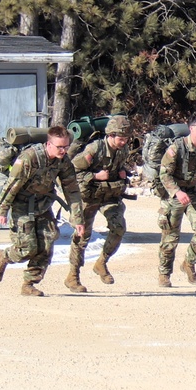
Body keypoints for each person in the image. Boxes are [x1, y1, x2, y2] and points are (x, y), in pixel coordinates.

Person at [0, 126, 85, 297]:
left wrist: (77, 219)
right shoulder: (30, 158)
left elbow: (72, 190)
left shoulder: (63, 161)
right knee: (27, 249)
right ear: (49, 144)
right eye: (59, 147)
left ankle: (29, 284)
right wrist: (3, 210)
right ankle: (4, 256)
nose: (63, 151)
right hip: (21, 205)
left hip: (43, 205)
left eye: (66, 147)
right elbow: (12, 185)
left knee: (47, 245)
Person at [66, 115, 132, 292]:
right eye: (120, 138)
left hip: (109, 196)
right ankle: (73, 276)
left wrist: (122, 173)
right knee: (82, 236)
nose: (123, 142)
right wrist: (94, 176)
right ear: (110, 135)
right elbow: (72, 171)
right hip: (89, 197)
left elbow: (118, 167)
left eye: (126, 138)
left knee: (118, 228)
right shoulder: (94, 149)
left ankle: (101, 262)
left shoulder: (123, 150)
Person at [157, 112, 196, 288]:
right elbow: (165, 173)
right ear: (191, 129)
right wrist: (177, 192)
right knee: (170, 237)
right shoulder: (177, 148)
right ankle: (164, 274)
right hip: (175, 195)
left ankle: (189, 263)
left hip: (195, 195)